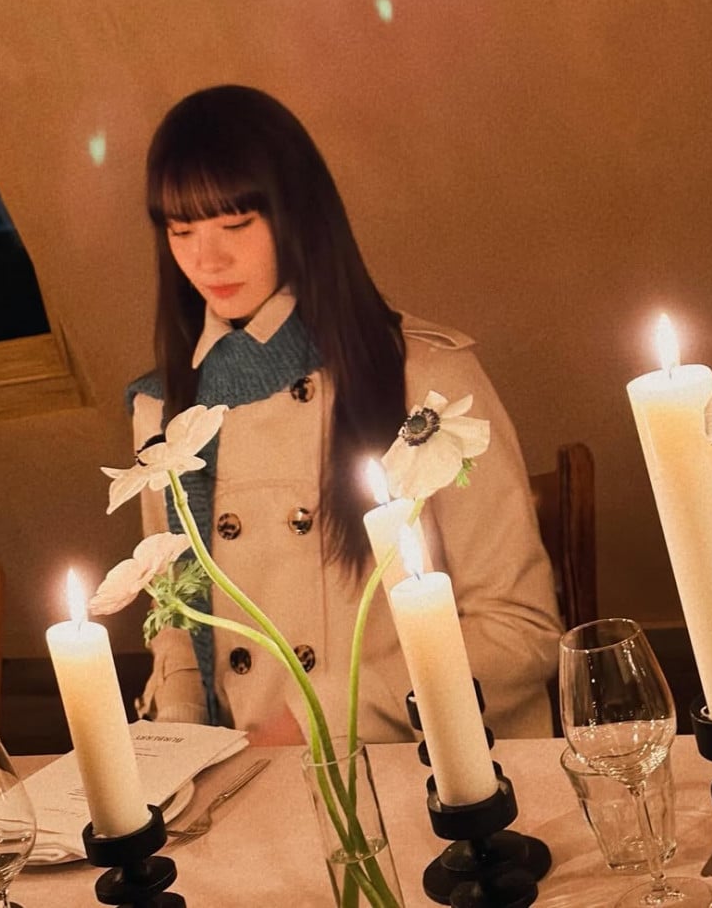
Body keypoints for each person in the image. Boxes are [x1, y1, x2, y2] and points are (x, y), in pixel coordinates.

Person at [129, 85, 561, 744]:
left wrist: (319, 719)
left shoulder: (426, 378)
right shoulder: (163, 409)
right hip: (238, 778)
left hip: (405, 770)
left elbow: (519, 629)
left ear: (296, 215)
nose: (206, 260)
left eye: (236, 226)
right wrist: (178, 738)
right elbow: (178, 624)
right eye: (181, 231)